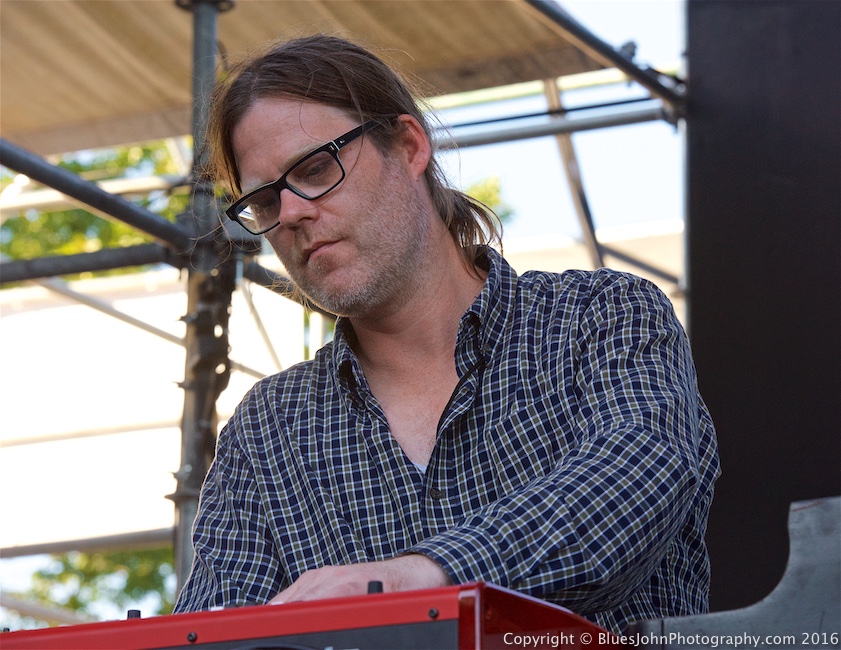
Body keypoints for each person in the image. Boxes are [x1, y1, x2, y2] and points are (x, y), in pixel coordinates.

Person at [173, 34, 720, 634]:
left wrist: (420, 579)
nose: (293, 212)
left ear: (409, 146)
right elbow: (212, 634)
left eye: (315, 168)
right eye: (264, 200)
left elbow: (630, 490)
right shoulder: (266, 431)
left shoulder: (601, 318)